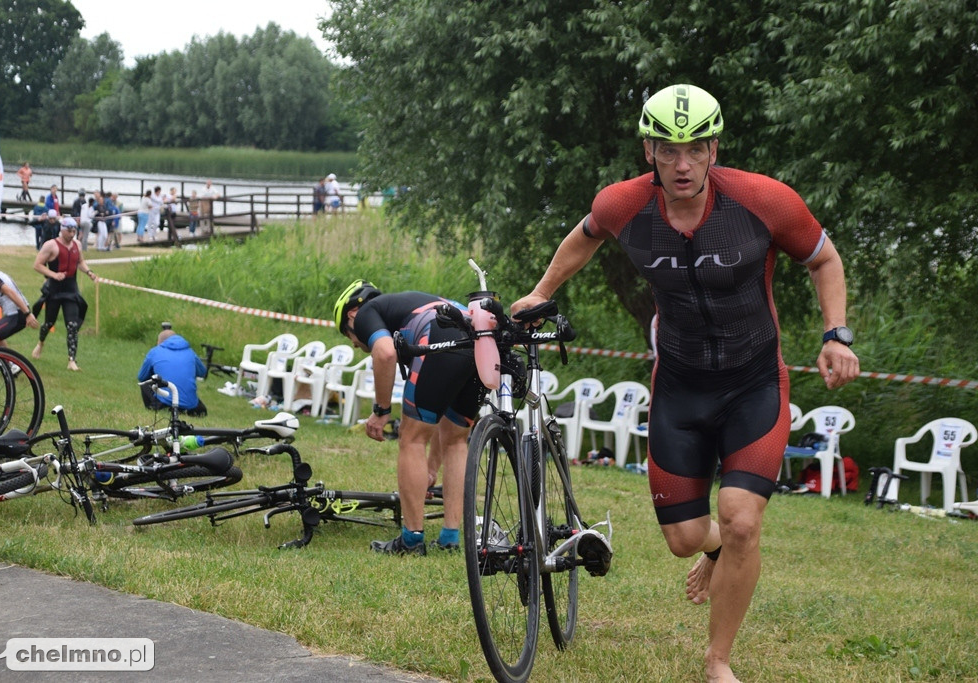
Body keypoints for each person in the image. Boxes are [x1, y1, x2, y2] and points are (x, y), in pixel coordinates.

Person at [510, 84, 860, 683]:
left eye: (695, 148)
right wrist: (542, 293)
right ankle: (719, 550)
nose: (682, 163)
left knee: (743, 518)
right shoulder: (624, 205)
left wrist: (836, 334)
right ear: (648, 149)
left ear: (714, 148)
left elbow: (823, 259)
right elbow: (585, 236)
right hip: (679, 385)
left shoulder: (762, 201)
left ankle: (717, 660)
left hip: (755, 382)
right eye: (668, 148)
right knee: (683, 539)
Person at [334, 280, 486, 555]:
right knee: (456, 440)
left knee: (411, 438)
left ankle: (411, 540)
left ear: (351, 316)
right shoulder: (409, 304)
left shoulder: (367, 312)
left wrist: (380, 411)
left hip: (440, 334)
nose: (357, 344)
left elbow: (384, 353)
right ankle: (450, 538)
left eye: (350, 336)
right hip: (480, 337)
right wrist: (430, 469)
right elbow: (443, 421)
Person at [32, 217, 98, 371]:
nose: (72, 233)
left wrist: (89, 272)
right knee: (49, 323)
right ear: (62, 229)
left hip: (71, 290)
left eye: (74, 230)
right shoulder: (51, 245)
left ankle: (71, 361)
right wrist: (53, 275)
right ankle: (40, 343)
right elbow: (37, 265)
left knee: (72, 325)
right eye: (69, 230)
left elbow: (80, 262)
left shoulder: (77, 245)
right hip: (54, 289)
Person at [138, 329, 208, 416]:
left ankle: (154, 407)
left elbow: (141, 377)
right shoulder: (191, 352)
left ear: (160, 342)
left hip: (165, 403)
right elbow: (202, 372)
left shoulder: (155, 352)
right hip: (190, 405)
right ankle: (187, 410)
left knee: (145, 384)